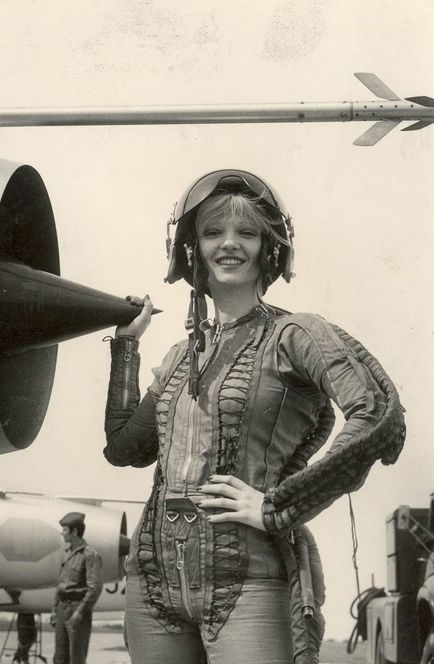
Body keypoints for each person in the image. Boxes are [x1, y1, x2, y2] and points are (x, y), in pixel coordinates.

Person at [103, 169, 405, 664]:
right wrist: (127, 346)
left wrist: (278, 507)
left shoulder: (297, 334)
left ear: (270, 247)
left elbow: (376, 414)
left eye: (246, 232)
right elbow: (123, 449)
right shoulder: (179, 356)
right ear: (191, 249)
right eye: (212, 232)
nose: (229, 244)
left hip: (248, 585)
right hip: (151, 589)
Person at [50, 512, 103, 664]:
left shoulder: (90, 555)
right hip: (62, 609)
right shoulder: (66, 553)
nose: (62, 533)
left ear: (74, 532)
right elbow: (60, 584)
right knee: (59, 658)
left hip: (77, 610)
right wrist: (54, 609)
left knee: (76, 658)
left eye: (65, 530)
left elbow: (95, 588)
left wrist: (80, 612)